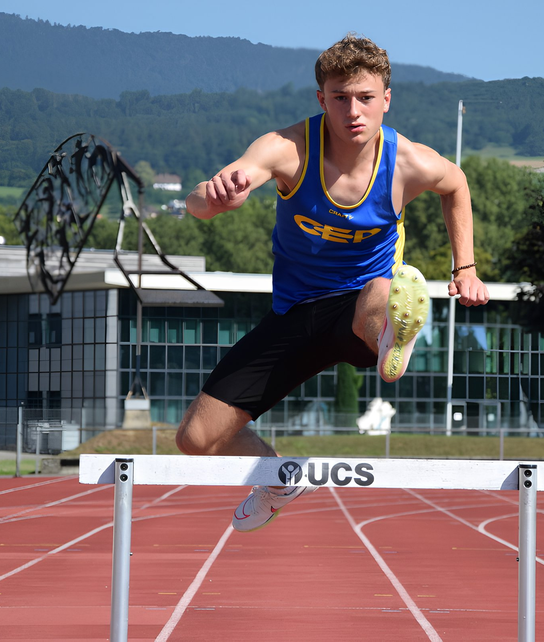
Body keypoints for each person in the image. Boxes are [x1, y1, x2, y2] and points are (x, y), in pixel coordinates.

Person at [178, 34, 489, 532]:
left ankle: (392, 339)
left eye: (366, 98)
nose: (353, 111)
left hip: (360, 308)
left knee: (383, 289)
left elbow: (456, 184)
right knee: (195, 438)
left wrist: (465, 268)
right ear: (321, 99)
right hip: (294, 314)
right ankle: (280, 478)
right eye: (340, 98)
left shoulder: (406, 162)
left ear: (386, 99)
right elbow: (199, 199)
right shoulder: (287, 149)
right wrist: (212, 201)